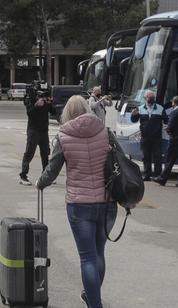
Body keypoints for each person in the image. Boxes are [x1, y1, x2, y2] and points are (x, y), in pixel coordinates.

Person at [37, 95, 116, 308]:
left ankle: (94, 303)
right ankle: (91, 297)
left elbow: (52, 170)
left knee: (87, 258)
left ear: (68, 113)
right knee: (99, 253)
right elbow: (120, 162)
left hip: (79, 205)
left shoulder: (64, 136)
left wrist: (40, 183)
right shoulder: (105, 131)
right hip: (107, 202)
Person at [129, 89, 167, 181]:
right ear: (145, 98)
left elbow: (166, 120)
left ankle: (157, 174)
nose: (151, 99)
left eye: (153, 97)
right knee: (146, 156)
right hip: (145, 137)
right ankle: (147, 175)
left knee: (157, 156)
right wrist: (133, 115)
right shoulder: (140, 108)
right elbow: (134, 120)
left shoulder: (160, 108)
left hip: (156, 137)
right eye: (150, 97)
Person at [156, 95, 178, 187]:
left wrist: (167, 130)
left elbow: (170, 126)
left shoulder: (175, 112)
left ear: (174, 103)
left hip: (175, 140)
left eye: (172, 102)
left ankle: (162, 179)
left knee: (169, 160)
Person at [19, 86, 52, 185]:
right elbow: (29, 113)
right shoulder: (31, 99)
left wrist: (50, 103)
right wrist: (36, 105)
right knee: (29, 153)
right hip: (33, 130)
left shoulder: (46, 101)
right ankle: (23, 176)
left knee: (45, 153)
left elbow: (53, 112)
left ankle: (45, 175)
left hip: (44, 130)